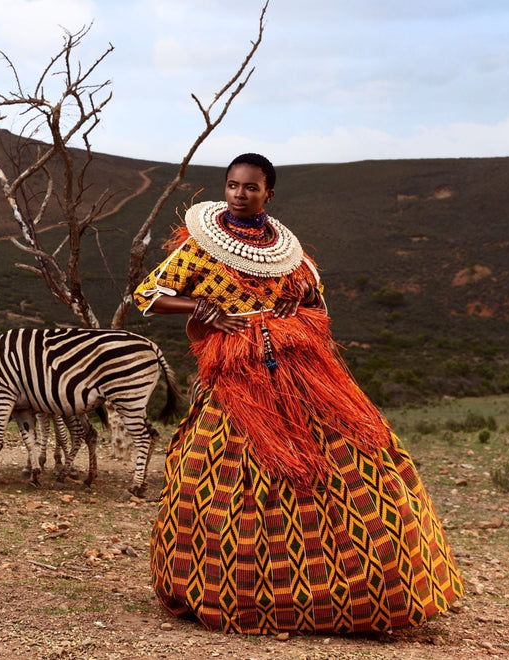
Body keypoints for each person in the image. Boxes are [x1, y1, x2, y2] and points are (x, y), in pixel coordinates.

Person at [133, 153, 462, 634]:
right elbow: (149, 294)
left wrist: (298, 299)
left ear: (269, 193)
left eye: (251, 187)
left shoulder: (289, 250)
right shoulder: (200, 248)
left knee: (347, 455)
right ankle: (229, 590)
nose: (240, 195)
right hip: (238, 370)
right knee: (219, 468)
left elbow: (314, 295)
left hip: (301, 370)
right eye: (232, 186)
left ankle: (363, 589)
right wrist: (200, 305)